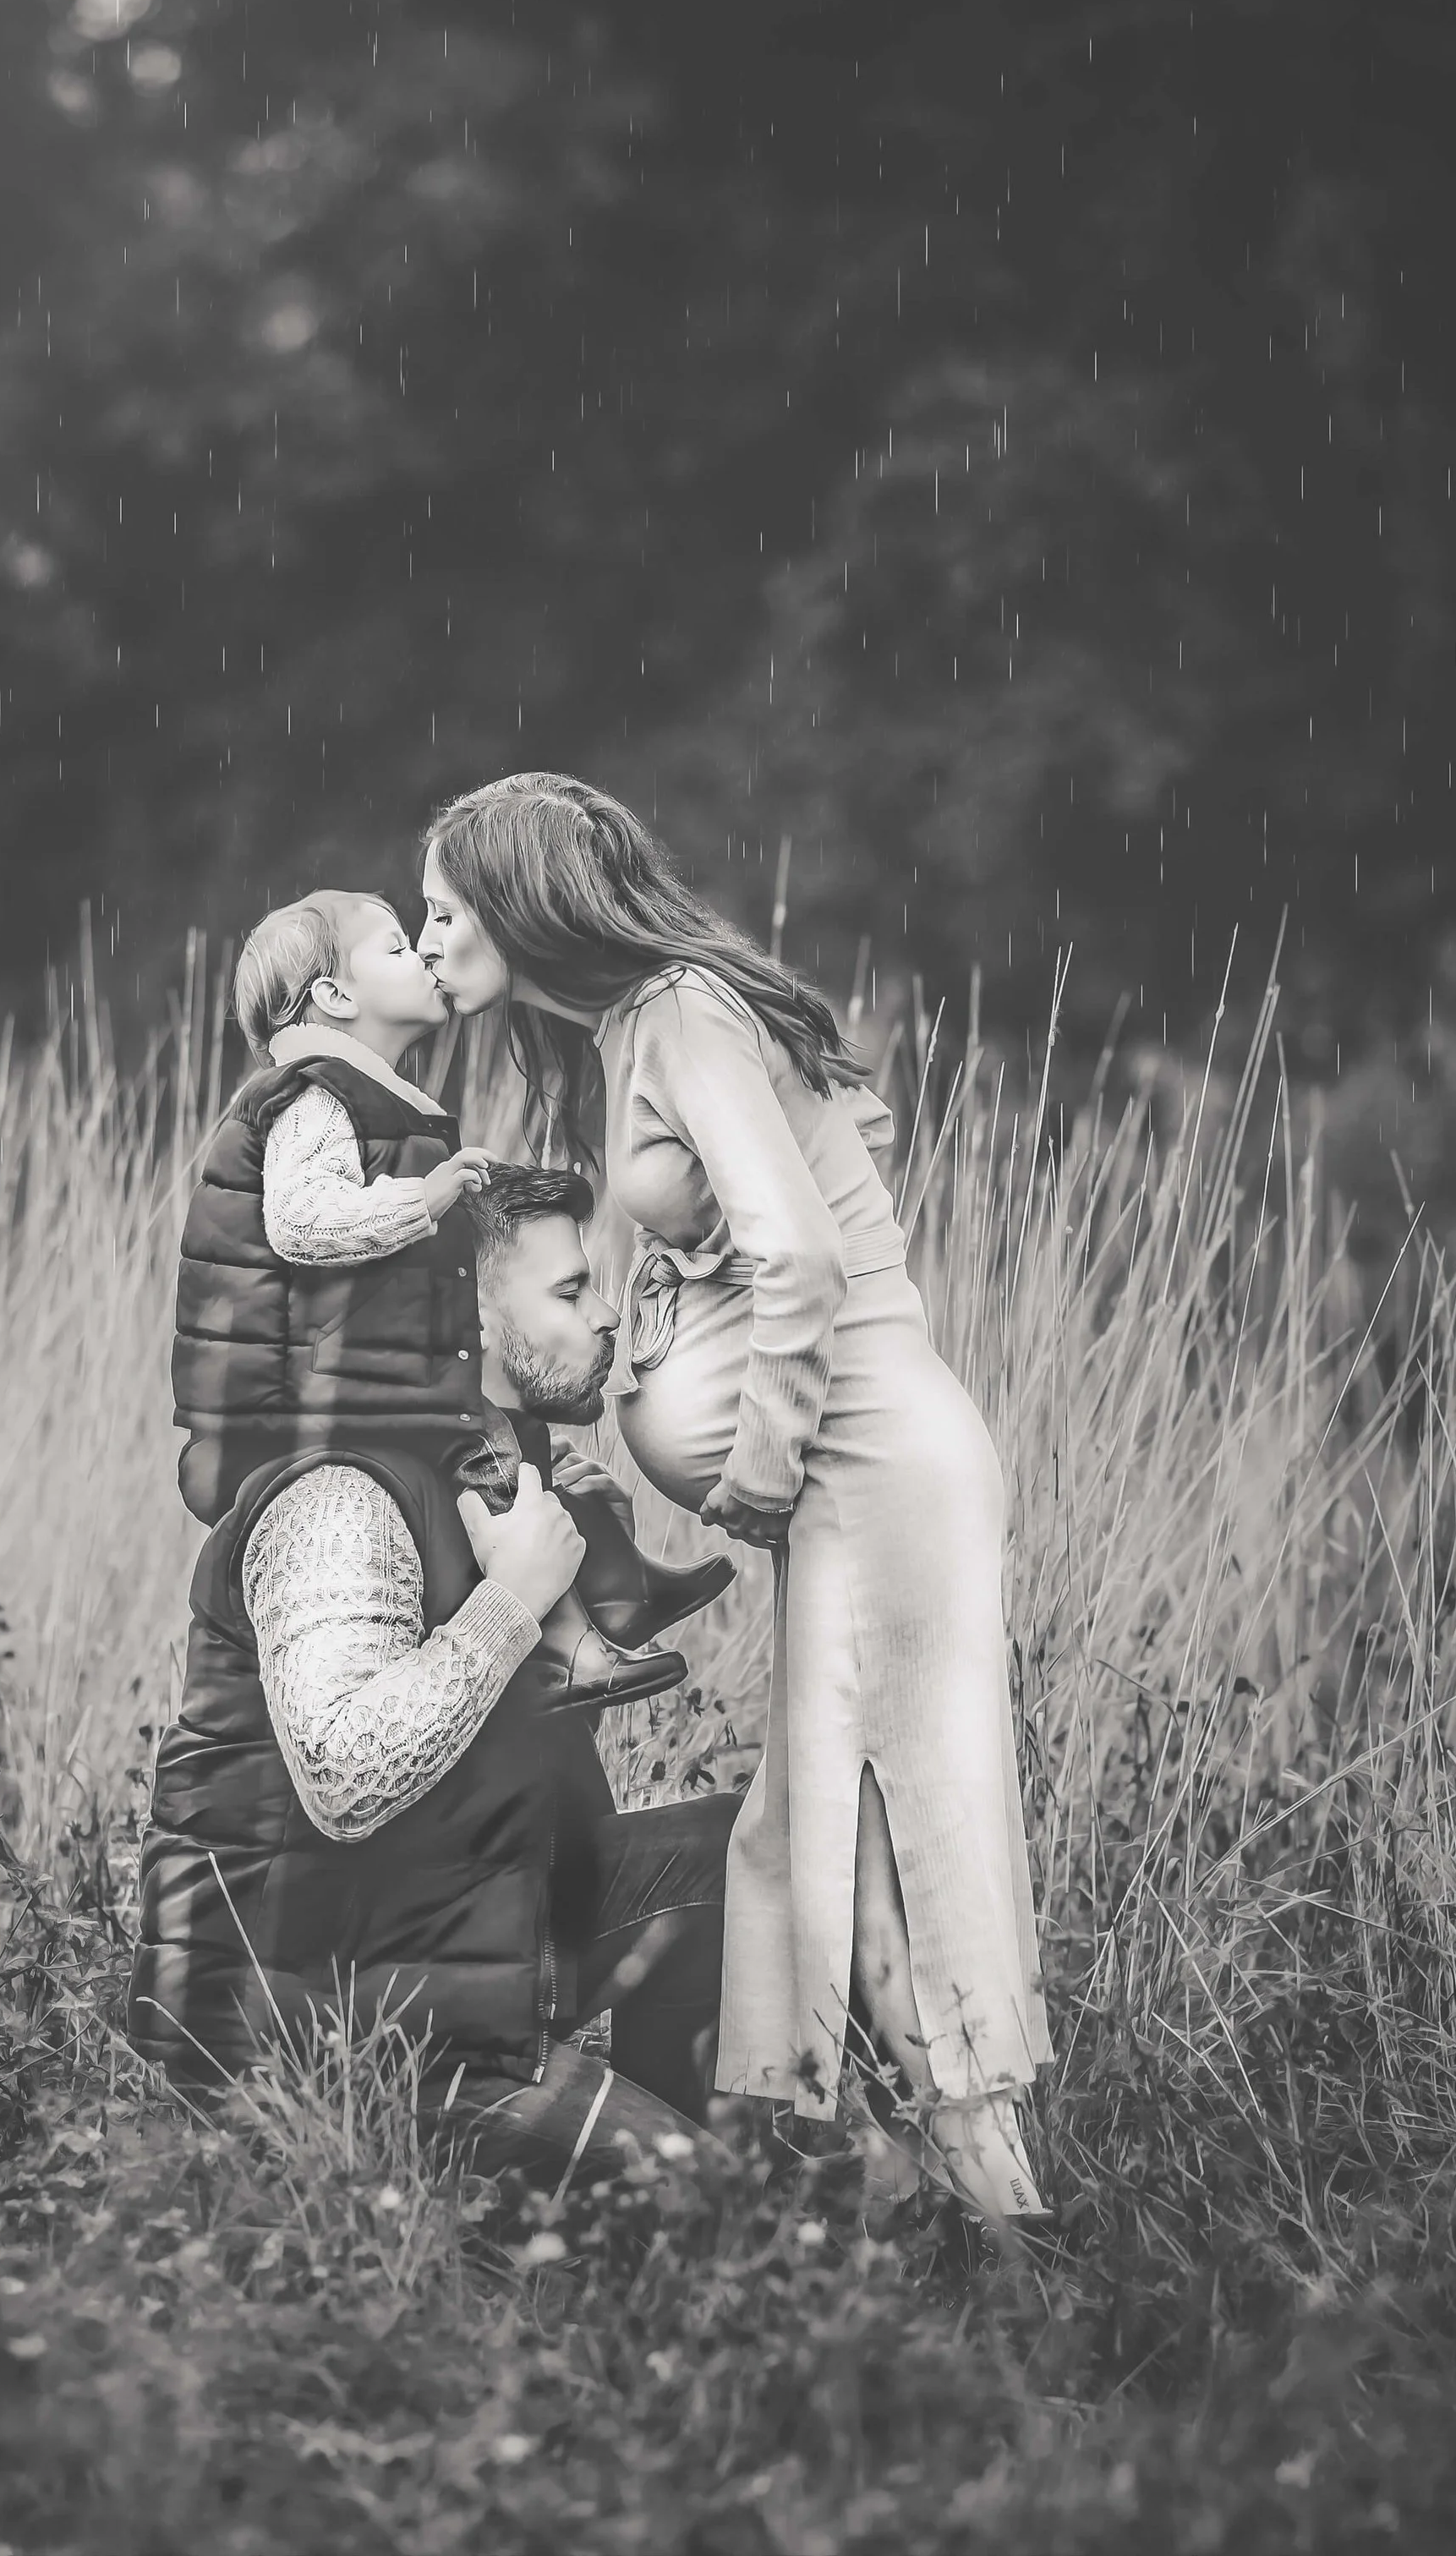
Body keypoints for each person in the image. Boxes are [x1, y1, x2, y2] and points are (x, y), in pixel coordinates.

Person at [418, 774, 1051, 2220]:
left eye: (450, 908)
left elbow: (808, 1260)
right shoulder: (645, 1025)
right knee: (824, 1845)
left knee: (878, 1843)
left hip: (863, 1467)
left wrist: (755, 1471)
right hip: (859, 1473)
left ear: (527, 903)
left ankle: (1003, 2224)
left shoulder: (681, 1011)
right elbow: (759, 1224)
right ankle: (945, 2209)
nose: (432, 936)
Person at [132, 1166, 742, 2186]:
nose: (604, 1318)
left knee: (752, 1850)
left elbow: (523, 1760)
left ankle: (707, 2139)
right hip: (329, 2038)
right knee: (737, 2222)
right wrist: (509, 1603)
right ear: (466, 1319)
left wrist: (592, 1581)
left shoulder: (497, 1464)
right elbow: (342, 1772)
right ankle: (679, 2192)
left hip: (470, 1949)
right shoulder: (339, 1495)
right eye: (568, 1293)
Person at [171, 886, 726, 1705]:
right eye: (396, 947)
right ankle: (567, 1645)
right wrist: (424, 1200)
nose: (424, 953)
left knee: (531, 1448)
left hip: (348, 1376)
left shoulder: (359, 1097)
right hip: (295, 1403)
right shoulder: (312, 1096)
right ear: (333, 996)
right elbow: (299, 1223)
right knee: (497, 1456)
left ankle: (616, 1590)